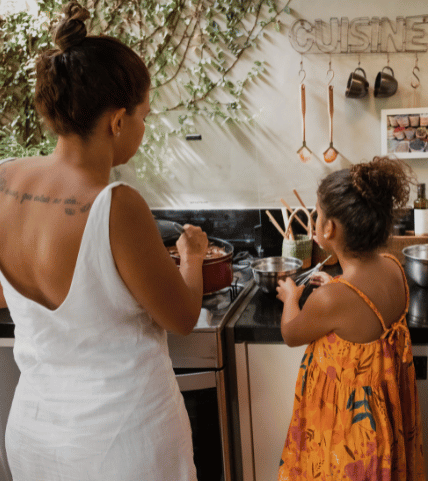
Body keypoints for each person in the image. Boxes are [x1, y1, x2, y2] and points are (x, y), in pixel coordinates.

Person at [0, 2, 208, 479]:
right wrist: (190, 258)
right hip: (121, 442)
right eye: (143, 116)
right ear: (117, 121)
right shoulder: (116, 204)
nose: (143, 127)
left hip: (35, 436)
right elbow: (180, 317)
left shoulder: (4, 180)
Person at [275, 156, 426, 480]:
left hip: (348, 428)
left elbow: (291, 334)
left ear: (328, 228)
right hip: (384, 417)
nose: (315, 220)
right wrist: (335, 288)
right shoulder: (393, 266)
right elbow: (362, 307)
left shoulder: (331, 299)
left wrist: (291, 297)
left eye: (317, 214)